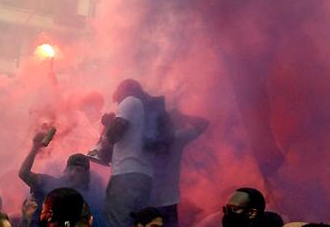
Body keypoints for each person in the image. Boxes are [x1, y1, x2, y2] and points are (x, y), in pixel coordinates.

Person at [19, 127, 107, 227]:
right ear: (65, 171)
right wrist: (35, 147)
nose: (72, 173)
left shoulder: (89, 201)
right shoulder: (49, 183)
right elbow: (24, 174)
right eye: (70, 169)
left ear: (85, 176)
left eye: (78, 171)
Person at [100, 80, 154, 227]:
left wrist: (108, 123)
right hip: (144, 176)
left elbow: (113, 135)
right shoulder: (144, 109)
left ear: (123, 89)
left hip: (126, 175)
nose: (116, 100)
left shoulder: (130, 101)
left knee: (117, 222)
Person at [150, 111, 208, 227]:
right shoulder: (175, 139)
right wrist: (183, 117)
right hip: (167, 200)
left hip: (150, 201)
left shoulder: (147, 142)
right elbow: (202, 123)